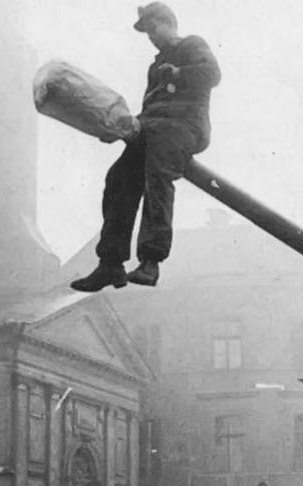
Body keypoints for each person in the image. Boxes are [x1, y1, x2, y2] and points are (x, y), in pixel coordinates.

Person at [71, 2, 221, 291]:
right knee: (119, 178)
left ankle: (151, 261)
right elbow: (150, 109)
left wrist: (178, 73)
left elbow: (212, 73)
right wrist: (120, 130)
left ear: (168, 22)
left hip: (183, 126)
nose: (151, 37)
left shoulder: (192, 45)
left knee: (157, 175)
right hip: (153, 129)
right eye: (147, 33)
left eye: (153, 29)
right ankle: (110, 263)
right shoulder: (155, 67)